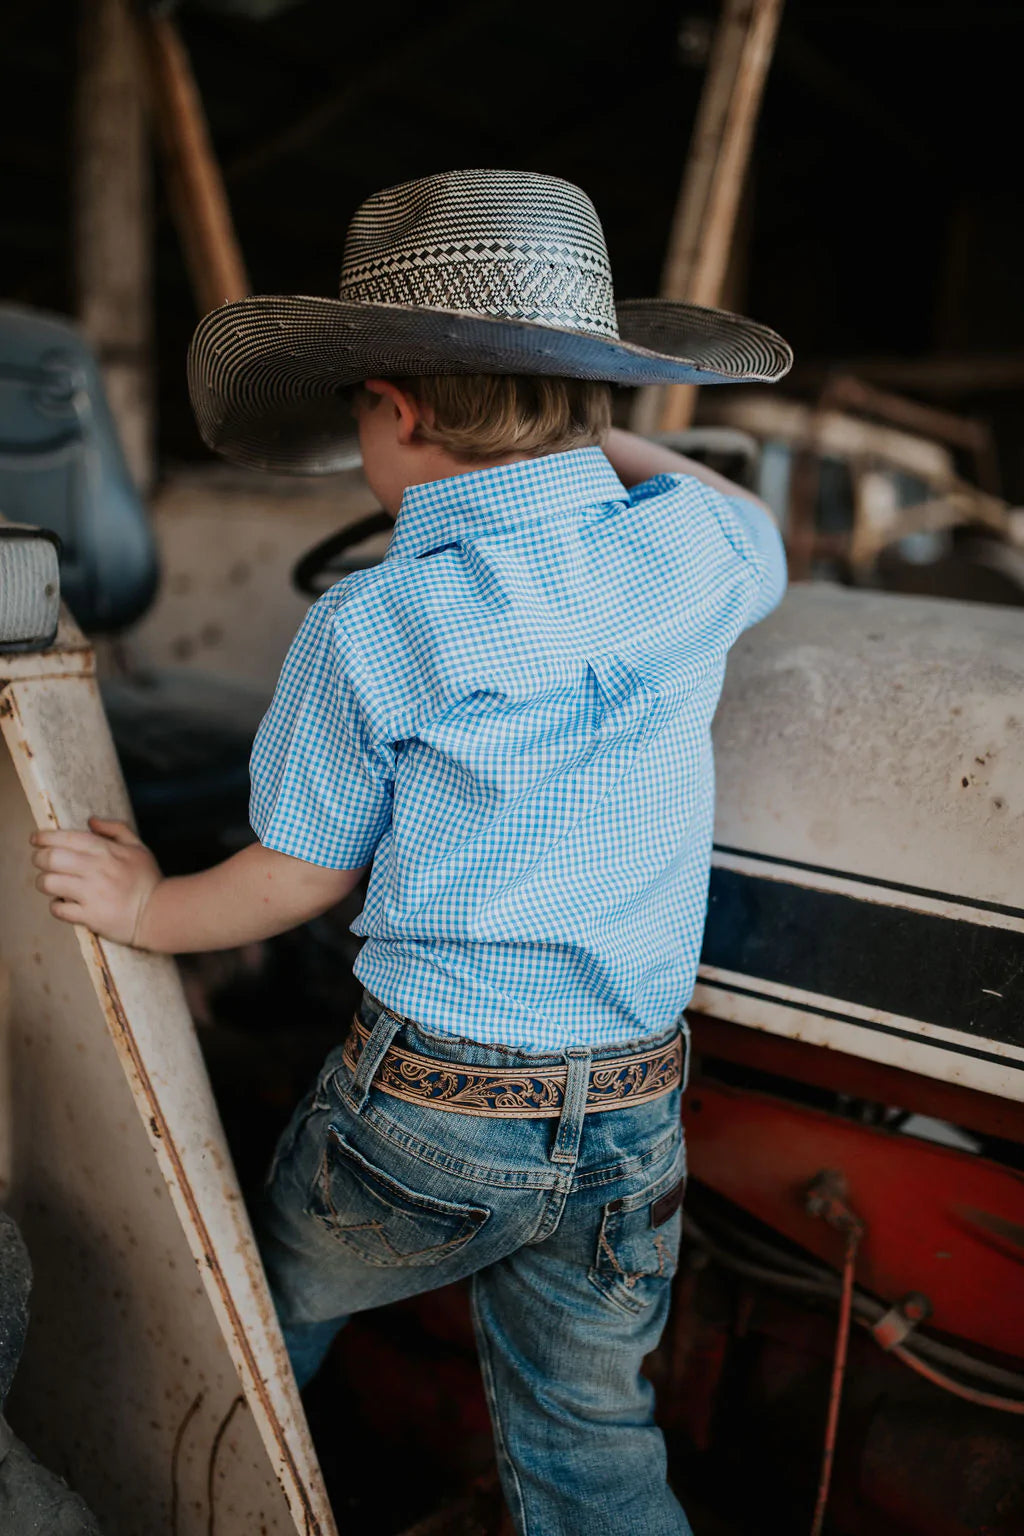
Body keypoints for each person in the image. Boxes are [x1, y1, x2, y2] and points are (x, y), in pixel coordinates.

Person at [31, 170, 791, 1536]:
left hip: (433, 1114)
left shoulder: (377, 624)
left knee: (252, 1322)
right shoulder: (693, 555)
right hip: (632, 1112)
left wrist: (146, 902)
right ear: (585, 404)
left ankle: (220, 1494)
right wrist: (599, 450)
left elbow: (299, 878)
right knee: (592, 1443)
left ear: (393, 408)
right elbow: (753, 521)